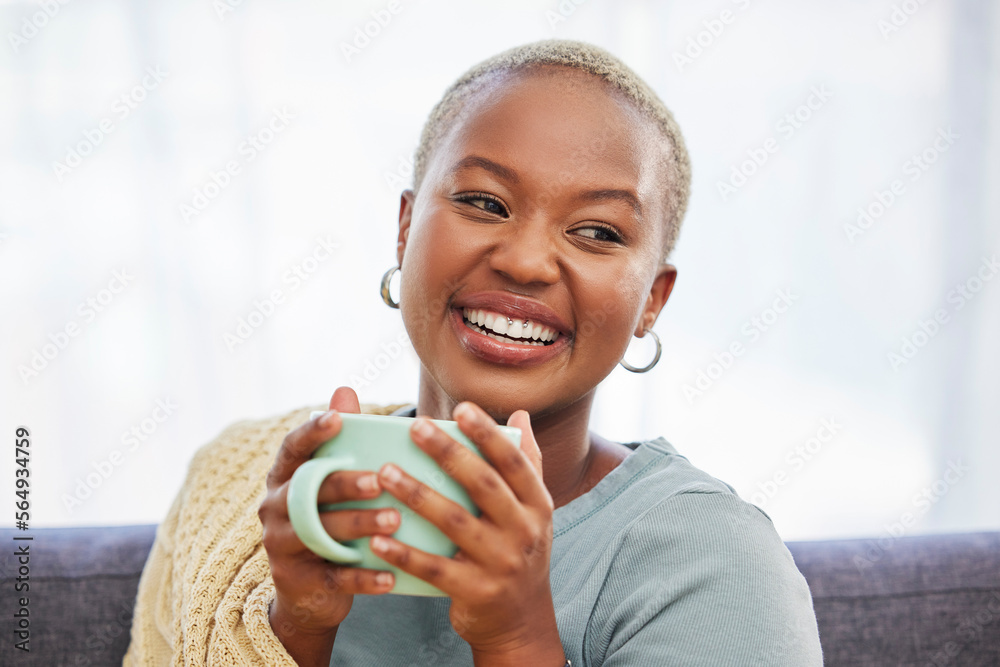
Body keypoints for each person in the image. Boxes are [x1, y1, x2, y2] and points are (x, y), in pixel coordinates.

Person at [124, 38, 824, 666]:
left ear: (652, 301)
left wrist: (515, 636)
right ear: (405, 229)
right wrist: (296, 625)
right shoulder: (246, 488)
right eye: (485, 203)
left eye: (599, 233)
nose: (524, 261)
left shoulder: (713, 561)